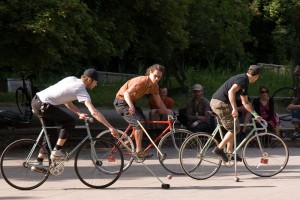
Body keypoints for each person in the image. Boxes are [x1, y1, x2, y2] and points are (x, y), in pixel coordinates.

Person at [31, 68, 119, 169]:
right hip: (44, 105)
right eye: (96, 82)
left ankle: (38, 162)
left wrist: (79, 113)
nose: (96, 85)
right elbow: (94, 112)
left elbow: (66, 101)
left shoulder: (71, 79)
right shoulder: (81, 89)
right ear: (89, 80)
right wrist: (110, 127)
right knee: (70, 121)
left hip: (36, 101)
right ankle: (56, 152)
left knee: (51, 134)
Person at [114, 64, 171, 158]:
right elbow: (126, 93)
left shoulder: (154, 86)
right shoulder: (142, 81)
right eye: (155, 76)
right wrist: (131, 106)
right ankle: (139, 151)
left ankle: (128, 142)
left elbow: (159, 102)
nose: (156, 78)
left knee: (143, 121)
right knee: (139, 123)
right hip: (122, 102)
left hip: (131, 102)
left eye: (159, 77)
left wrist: (169, 113)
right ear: (150, 73)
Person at [210, 65, 262, 162]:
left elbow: (245, 103)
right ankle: (219, 149)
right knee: (235, 129)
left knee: (234, 127)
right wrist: (234, 108)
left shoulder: (244, 83)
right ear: (256, 76)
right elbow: (231, 92)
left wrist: (255, 115)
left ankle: (229, 153)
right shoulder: (242, 80)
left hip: (219, 102)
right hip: (220, 103)